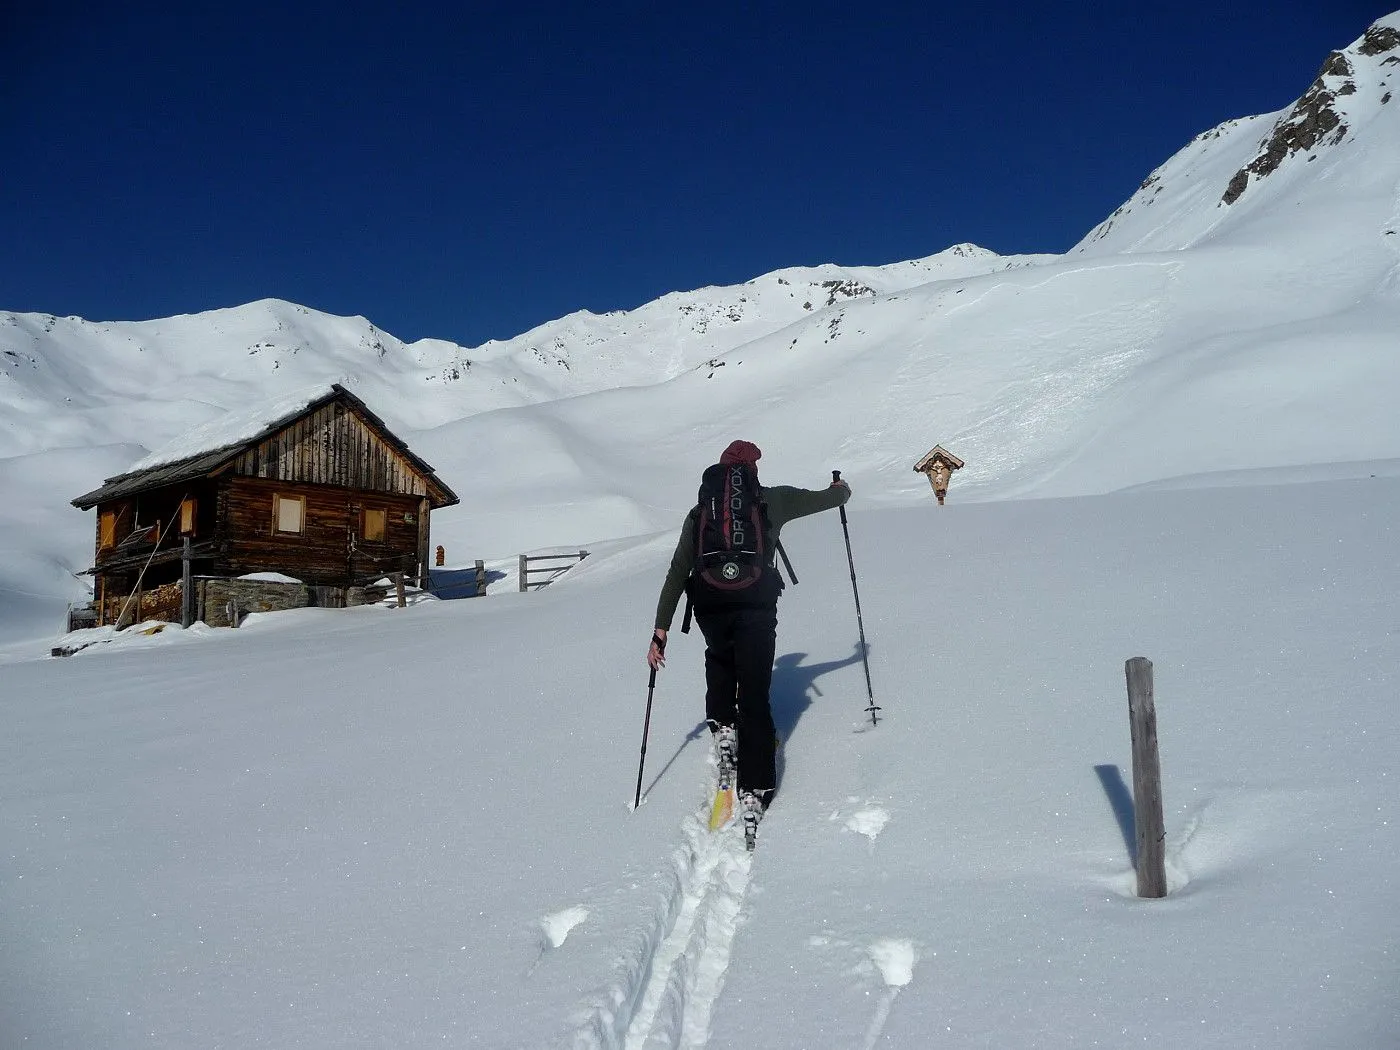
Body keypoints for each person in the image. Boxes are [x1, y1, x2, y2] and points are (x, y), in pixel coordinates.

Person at [646, 439, 851, 830]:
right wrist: (841, 490)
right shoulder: (772, 500)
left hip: (709, 604)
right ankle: (754, 789)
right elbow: (828, 500)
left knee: (719, 656)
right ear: (752, 470)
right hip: (756, 604)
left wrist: (661, 630)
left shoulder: (701, 511)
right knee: (755, 694)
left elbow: (677, 570)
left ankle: (724, 727)